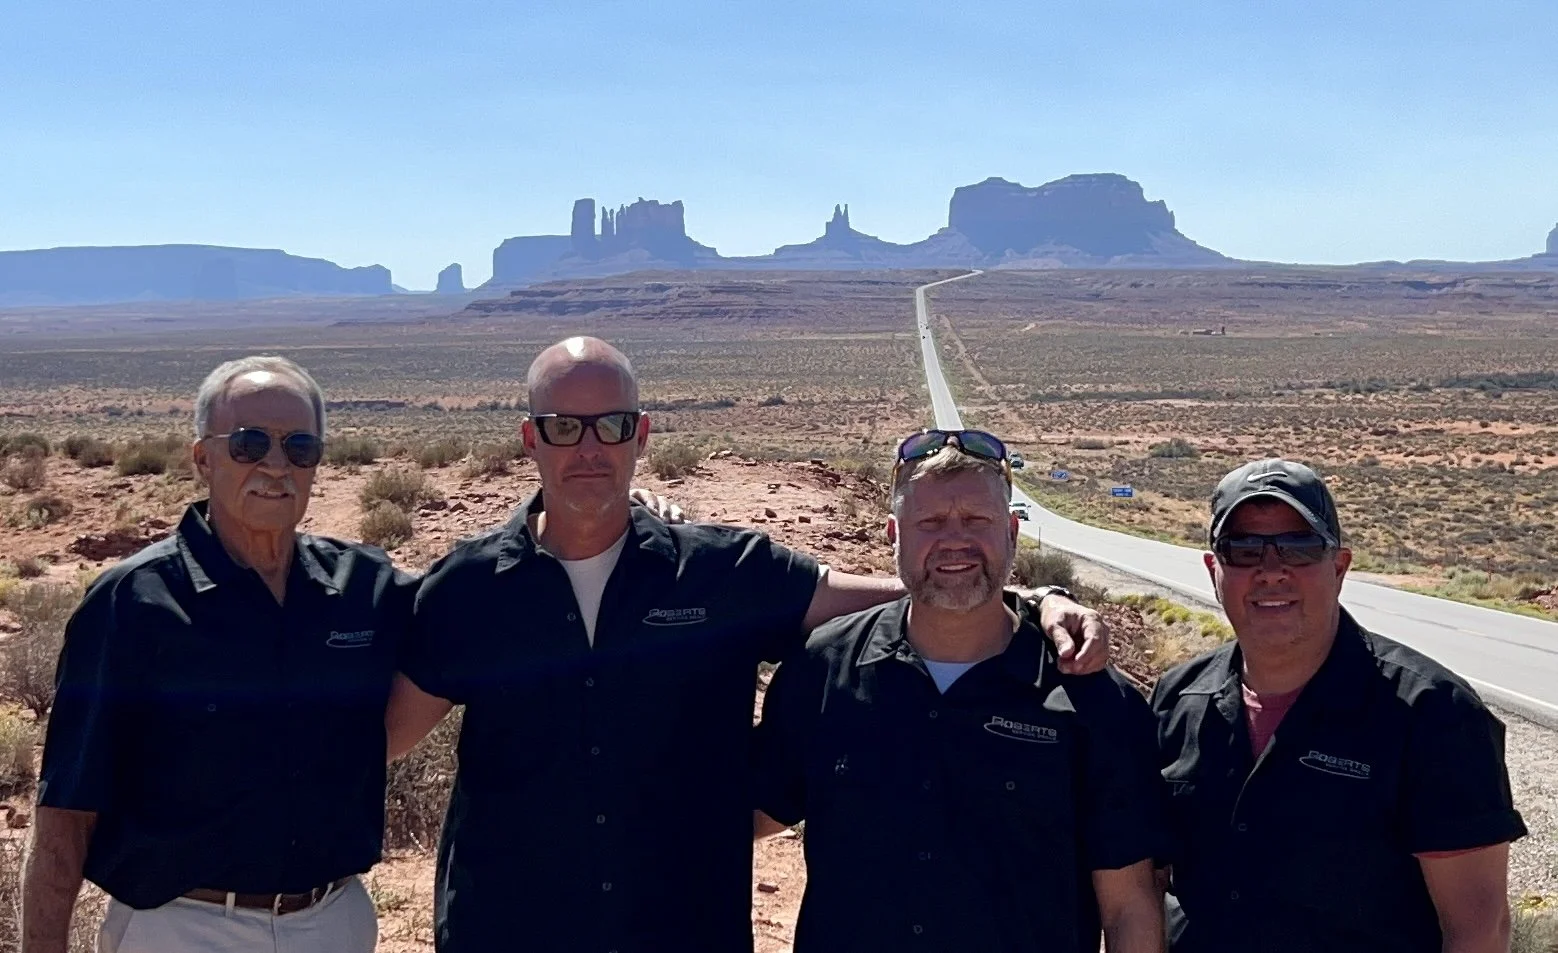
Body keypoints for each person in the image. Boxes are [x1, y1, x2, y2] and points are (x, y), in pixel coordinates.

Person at [384, 337, 1109, 953]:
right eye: (564, 428)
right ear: (529, 437)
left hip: (678, 930)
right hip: (508, 930)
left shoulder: (723, 573)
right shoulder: (470, 588)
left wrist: (1028, 598)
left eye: (610, 426)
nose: (589, 449)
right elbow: (380, 738)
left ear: (641, 435)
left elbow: (880, 591)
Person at [24, 357, 414, 953]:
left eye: (300, 447)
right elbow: (66, 811)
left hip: (332, 919)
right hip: (181, 925)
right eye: (249, 443)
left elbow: (471, 620)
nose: (276, 466)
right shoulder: (135, 601)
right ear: (203, 458)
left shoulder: (365, 588)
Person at [753, 430, 1165, 953]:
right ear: (892, 534)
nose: (955, 541)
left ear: (1012, 532)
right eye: (929, 523)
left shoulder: (1091, 698)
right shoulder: (824, 670)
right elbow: (749, 811)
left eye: (977, 521)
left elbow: (1128, 904)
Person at [1152, 458, 1528, 953]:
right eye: (1243, 550)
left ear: (1340, 567)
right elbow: (1146, 887)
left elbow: (1479, 931)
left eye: (1299, 548)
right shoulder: (1175, 701)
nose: (1271, 571)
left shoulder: (1433, 715)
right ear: (1213, 569)